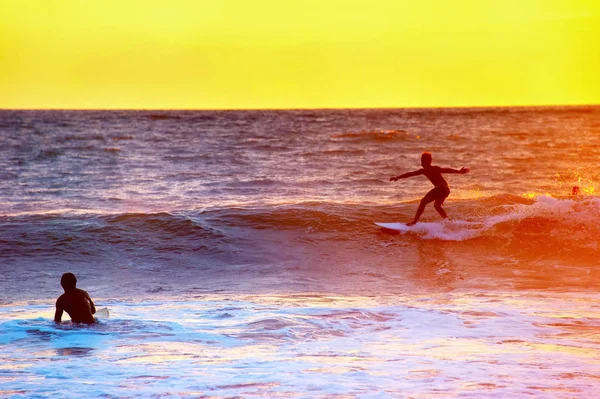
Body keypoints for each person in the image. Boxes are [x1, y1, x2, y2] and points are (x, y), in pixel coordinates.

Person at [390, 152, 470, 225]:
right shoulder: (423, 171)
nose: (421, 162)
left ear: (428, 161)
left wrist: (459, 172)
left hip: (440, 189)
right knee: (437, 206)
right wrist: (398, 177)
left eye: (423, 161)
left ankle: (415, 221)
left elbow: (446, 170)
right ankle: (447, 221)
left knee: (423, 202)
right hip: (446, 190)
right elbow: (410, 174)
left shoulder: (433, 168)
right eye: (421, 160)